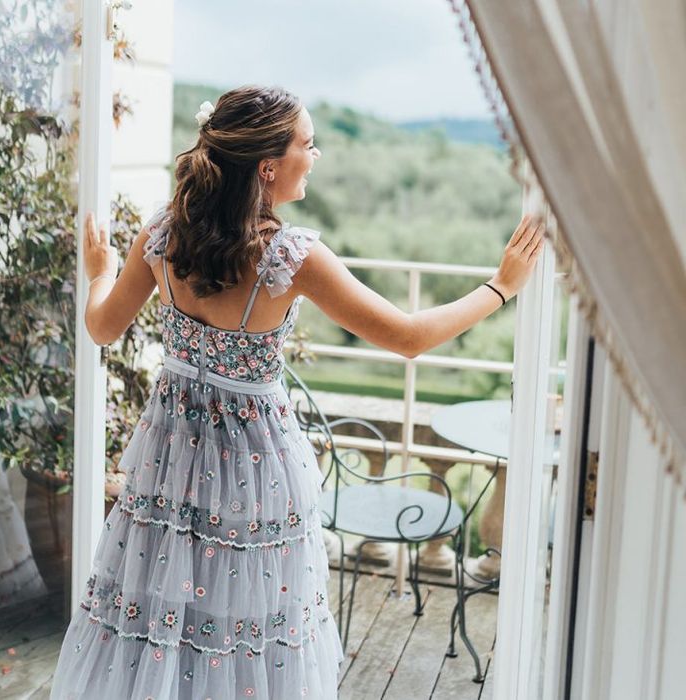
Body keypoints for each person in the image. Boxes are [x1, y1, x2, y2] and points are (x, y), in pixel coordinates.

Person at [49, 85, 544, 700]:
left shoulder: (161, 234)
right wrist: (502, 286)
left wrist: (98, 272)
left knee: (164, 615)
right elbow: (410, 338)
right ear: (268, 166)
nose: (317, 155)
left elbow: (101, 327)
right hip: (256, 465)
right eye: (308, 144)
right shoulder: (291, 256)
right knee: (245, 620)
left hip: (170, 458)